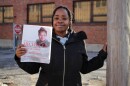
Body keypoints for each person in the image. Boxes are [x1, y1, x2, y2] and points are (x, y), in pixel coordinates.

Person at [15, 6, 107, 86]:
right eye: (56, 18)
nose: (60, 21)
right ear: (53, 21)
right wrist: (19, 57)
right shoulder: (44, 40)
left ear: (70, 21)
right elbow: (33, 69)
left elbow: (84, 68)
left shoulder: (78, 40)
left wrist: (102, 55)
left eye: (64, 18)